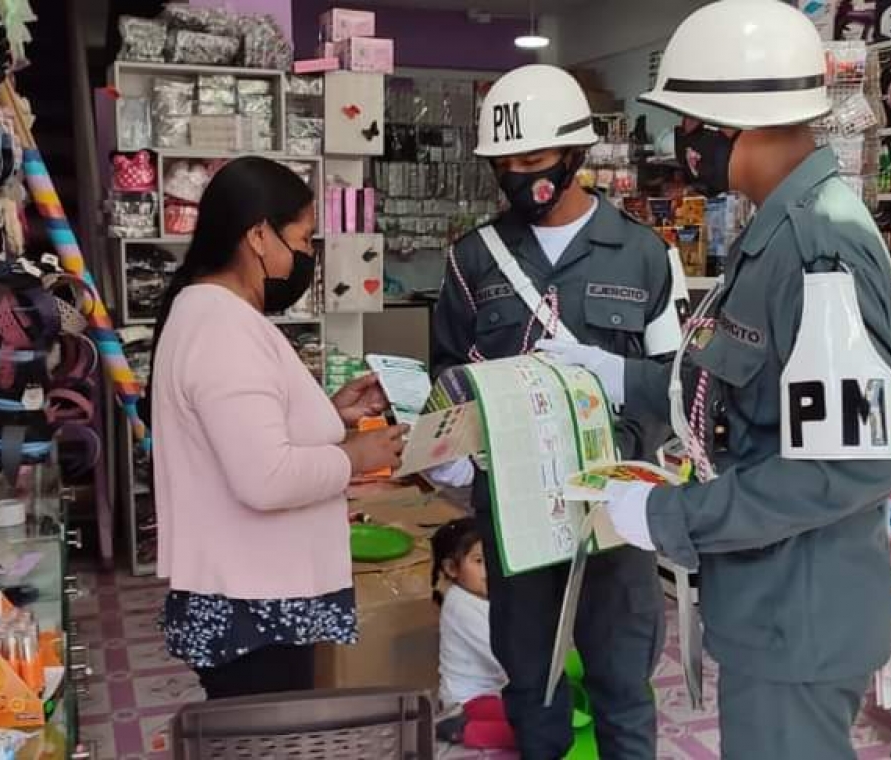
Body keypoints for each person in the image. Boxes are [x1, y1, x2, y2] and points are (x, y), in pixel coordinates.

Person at [540, 1, 891, 758]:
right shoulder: (775, 229)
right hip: (769, 604)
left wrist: (670, 518)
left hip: (796, 616)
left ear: (730, 122)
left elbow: (851, 463)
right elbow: (746, 389)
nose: (683, 141)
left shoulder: (818, 247)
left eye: (688, 120)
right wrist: (622, 378)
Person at [430, 63, 686, 759]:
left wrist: (623, 432)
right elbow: (446, 376)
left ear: (575, 153)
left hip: (616, 512)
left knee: (622, 684)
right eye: (504, 162)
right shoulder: (471, 260)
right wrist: (448, 452)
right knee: (532, 685)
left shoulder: (647, 255)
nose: (518, 174)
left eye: (534, 158)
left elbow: (679, 386)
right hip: (513, 514)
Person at [149, 156, 407, 699]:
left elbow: (246, 429)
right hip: (253, 608)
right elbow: (265, 477)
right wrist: (357, 457)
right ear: (260, 236)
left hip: (254, 594)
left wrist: (331, 414)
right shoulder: (221, 327)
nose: (308, 255)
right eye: (304, 239)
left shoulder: (214, 315)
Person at [431, 518, 515, 751]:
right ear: (451, 568)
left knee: (545, 718)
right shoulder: (460, 605)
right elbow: (505, 654)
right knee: (538, 728)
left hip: (496, 694)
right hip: (469, 701)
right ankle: (465, 729)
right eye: (479, 561)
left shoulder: (488, 597)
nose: (491, 569)